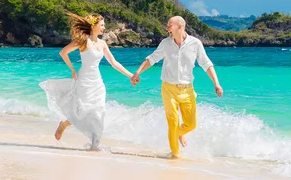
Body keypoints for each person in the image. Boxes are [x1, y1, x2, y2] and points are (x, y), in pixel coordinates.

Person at [131, 16, 223, 158]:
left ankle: (179, 134)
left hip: (187, 89)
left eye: (170, 25)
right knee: (173, 122)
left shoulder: (195, 43)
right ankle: (175, 155)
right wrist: (137, 72)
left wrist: (216, 83)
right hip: (169, 88)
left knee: (191, 124)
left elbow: (206, 64)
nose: (167, 27)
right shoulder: (165, 43)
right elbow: (152, 58)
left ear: (180, 27)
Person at [40, 12, 134, 150]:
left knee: (98, 113)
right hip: (84, 81)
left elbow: (114, 63)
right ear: (93, 26)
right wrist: (72, 68)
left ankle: (94, 145)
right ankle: (65, 124)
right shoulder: (83, 41)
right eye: (102, 25)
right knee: (82, 112)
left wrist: (131, 75)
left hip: (98, 83)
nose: (104, 28)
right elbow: (63, 52)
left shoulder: (102, 44)